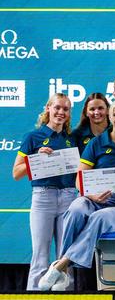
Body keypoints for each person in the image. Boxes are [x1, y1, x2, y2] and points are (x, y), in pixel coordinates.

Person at [36, 100, 115, 290]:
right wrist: (91, 195)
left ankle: (60, 265)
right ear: (110, 116)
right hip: (92, 199)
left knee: (99, 218)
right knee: (76, 208)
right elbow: (79, 179)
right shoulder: (96, 143)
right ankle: (64, 271)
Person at [14, 94, 79, 289]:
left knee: (66, 253)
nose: (61, 112)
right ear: (48, 108)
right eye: (57, 107)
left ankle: (69, 299)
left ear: (69, 114)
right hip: (43, 196)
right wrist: (34, 158)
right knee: (40, 253)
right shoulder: (33, 137)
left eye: (65, 109)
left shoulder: (71, 139)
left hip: (68, 197)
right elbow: (16, 173)